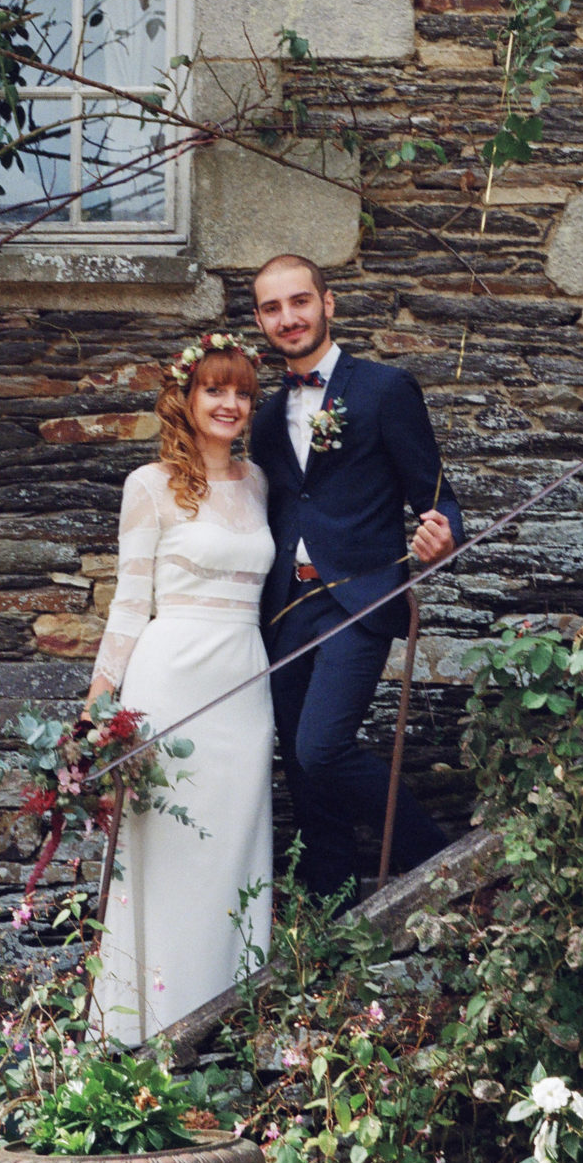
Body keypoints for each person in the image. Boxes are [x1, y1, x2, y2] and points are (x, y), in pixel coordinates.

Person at [248, 254, 462, 900]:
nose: (289, 317)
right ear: (260, 319)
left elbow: (439, 498)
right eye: (272, 307)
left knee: (322, 747)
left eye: (299, 301)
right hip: (286, 611)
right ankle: (332, 918)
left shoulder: (385, 389)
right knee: (305, 779)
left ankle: (443, 859)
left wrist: (443, 533)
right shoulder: (262, 419)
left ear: (328, 303)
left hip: (359, 598)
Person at [86, 332, 276, 1043]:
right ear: (186, 398)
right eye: (214, 390)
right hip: (171, 679)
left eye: (242, 392)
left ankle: (226, 1026)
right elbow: (131, 602)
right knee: (165, 857)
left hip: (243, 683)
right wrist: (99, 704)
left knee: (232, 849)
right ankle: (142, 1032)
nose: (229, 403)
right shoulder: (150, 484)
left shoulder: (260, 483)